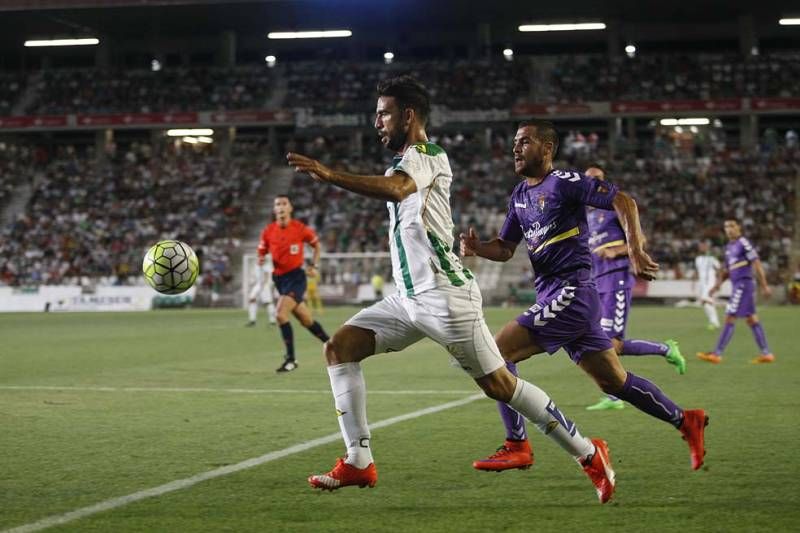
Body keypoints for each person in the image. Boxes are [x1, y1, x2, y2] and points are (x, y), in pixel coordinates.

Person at [287, 76, 616, 503]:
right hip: (408, 299)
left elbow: (400, 188)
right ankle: (358, 461)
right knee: (340, 348)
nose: (377, 123)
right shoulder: (402, 163)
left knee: (501, 385)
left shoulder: (427, 155)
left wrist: (329, 174)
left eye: (384, 113)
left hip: (446, 298)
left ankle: (589, 453)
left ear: (408, 115)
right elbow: (398, 188)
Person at [462, 120, 707, 474]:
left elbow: (623, 200)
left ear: (546, 148)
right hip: (557, 294)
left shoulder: (564, 182)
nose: (516, 148)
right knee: (614, 381)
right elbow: (505, 248)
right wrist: (477, 248)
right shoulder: (519, 195)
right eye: (514, 142)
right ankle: (686, 420)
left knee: (497, 353)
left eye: (525, 141)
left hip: (571, 291)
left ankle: (517, 445)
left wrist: (635, 249)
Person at [583, 165, 686, 412]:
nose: (591, 184)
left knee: (610, 343)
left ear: (604, 182)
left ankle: (617, 395)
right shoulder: (587, 216)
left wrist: (615, 251)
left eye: (596, 180)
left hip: (617, 278)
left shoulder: (614, 207)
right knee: (608, 343)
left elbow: (640, 240)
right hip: (599, 283)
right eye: (587, 181)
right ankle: (665, 349)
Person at [257, 195, 330, 373]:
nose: (280, 207)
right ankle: (333, 345)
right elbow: (262, 250)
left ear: (290, 208)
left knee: (280, 315)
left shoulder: (300, 229)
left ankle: (291, 359)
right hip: (279, 279)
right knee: (306, 320)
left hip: (296, 277)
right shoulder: (268, 231)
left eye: (284, 204)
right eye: (277, 204)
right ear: (274, 210)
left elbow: (316, 245)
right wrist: (261, 259)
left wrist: (314, 265)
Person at [697, 219, 775, 364]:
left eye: (732, 226)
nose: (729, 229)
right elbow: (727, 271)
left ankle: (717, 353)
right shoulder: (729, 248)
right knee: (752, 319)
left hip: (743, 284)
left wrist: (764, 285)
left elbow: (756, 263)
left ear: (739, 227)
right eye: (726, 226)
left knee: (730, 316)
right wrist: (717, 286)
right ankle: (766, 353)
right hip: (737, 285)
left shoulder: (743, 243)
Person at [694, 240, 721, 330]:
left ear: (707, 247)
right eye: (700, 246)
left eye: (703, 246)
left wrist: (718, 283)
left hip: (710, 283)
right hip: (702, 284)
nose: (701, 247)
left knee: (705, 300)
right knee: (705, 303)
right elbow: (698, 272)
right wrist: (693, 281)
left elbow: (719, 271)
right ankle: (714, 322)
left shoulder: (712, 259)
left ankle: (714, 322)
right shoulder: (697, 259)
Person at [245, 255, 277, 327]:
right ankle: (252, 320)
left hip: (264, 286)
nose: (260, 259)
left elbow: (266, 277)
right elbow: (255, 276)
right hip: (258, 285)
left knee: (268, 303)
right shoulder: (256, 265)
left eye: (262, 258)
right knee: (252, 300)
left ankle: (273, 321)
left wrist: (263, 287)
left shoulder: (267, 266)